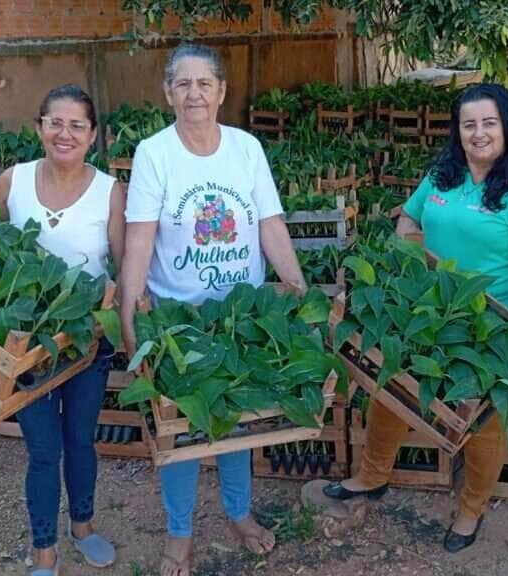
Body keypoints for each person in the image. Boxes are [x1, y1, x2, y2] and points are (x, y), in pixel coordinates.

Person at [322, 83, 508, 553]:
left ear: (507, 127)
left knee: (482, 422)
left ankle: (470, 509)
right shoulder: (442, 176)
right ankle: (372, 476)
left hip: (487, 325)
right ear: (457, 131)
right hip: (428, 313)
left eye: (488, 123)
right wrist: (408, 258)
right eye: (468, 124)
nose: (478, 133)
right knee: (389, 390)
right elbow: (407, 224)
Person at [117, 43, 307, 576]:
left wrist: (295, 285)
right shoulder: (155, 153)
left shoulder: (246, 149)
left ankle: (238, 514)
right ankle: (179, 534)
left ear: (222, 92)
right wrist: (131, 315)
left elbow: (269, 224)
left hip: (238, 315)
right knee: (180, 430)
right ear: (168, 93)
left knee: (235, 422)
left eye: (205, 83)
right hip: (179, 321)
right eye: (183, 83)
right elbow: (138, 242)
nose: (194, 93)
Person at [0, 84, 126, 576]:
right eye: (55, 122)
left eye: (77, 125)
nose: (64, 133)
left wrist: (125, 316)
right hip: (30, 345)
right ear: (39, 127)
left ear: (92, 135)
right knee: (44, 450)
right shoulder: (13, 182)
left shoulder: (111, 191)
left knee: (81, 441)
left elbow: (121, 264)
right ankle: (44, 550)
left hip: (87, 342)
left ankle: (84, 528)